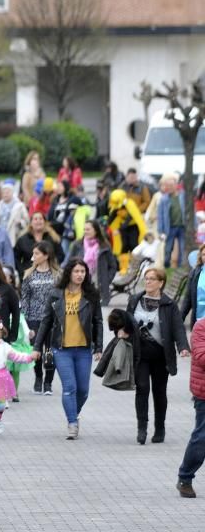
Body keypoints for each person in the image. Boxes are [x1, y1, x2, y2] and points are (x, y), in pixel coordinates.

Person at [32, 259, 104, 440]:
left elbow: (98, 322)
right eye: (76, 271)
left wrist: (99, 346)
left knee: (83, 390)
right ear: (69, 273)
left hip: (84, 349)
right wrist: (37, 347)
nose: (80, 275)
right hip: (61, 349)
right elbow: (46, 321)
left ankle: (74, 411)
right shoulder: (56, 294)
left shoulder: (91, 295)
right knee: (69, 388)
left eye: (83, 271)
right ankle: (72, 422)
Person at [124, 267, 190, 445]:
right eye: (146, 278)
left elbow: (177, 328)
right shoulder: (135, 299)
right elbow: (126, 321)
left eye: (152, 279)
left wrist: (183, 347)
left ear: (161, 283)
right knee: (142, 388)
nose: (148, 282)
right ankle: (142, 428)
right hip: (140, 354)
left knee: (159, 392)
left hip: (161, 356)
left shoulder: (169, 304)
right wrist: (122, 331)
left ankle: (159, 428)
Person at [19, 242, 60, 395]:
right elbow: (25, 298)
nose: (33, 256)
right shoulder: (29, 274)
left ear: (46, 255)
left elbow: (62, 297)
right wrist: (25, 320)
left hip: (53, 318)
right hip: (34, 318)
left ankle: (48, 382)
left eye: (36, 254)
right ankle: (38, 378)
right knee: (36, 350)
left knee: (50, 350)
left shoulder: (57, 275)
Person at [177, 313, 205, 497]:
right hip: (204, 393)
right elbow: (202, 357)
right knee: (202, 437)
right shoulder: (201, 327)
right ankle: (185, 477)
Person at [68, 220, 117, 308]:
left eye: (88, 229)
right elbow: (68, 263)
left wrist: (106, 280)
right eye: (84, 229)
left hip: (100, 292)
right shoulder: (77, 245)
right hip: (79, 289)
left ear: (96, 230)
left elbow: (113, 266)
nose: (85, 232)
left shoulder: (104, 245)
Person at [13, 211, 63, 281]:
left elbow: (60, 255)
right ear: (31, 223)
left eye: (40, 219)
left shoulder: (53, 238)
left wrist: (53, 265)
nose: (38, 221)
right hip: (28, 275)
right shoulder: (22, 239)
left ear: (45, 222)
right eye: (35, 219)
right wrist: (22, 271)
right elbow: (15, 258)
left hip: (49, 274)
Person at [157, 174, 186, 269]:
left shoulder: (183, 196)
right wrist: (161, 231)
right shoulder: (163, 199)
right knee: (168, 248)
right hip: (170, 227)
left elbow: (190, 211)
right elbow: (160, 216)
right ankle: (166, 265)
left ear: (176, 185)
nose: (169, 188)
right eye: (167, 186)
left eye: (171, 185)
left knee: (183, 248)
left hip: (182, 226)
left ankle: (181, 266)